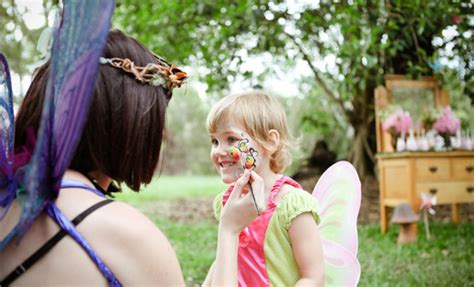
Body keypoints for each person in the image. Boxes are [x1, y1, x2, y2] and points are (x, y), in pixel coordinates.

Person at [0, 29, 261, 286]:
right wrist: (229, 232)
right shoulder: (128, 236)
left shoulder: (6, 199)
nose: (159, 134)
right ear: (128, 122)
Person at [203, 91, 325, 286]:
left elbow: (313, 276)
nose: (218, 150)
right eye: (214, 141)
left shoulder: (292, 204)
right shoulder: (226, 202)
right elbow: (224, 259)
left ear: (270, 141)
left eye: (231, 139)